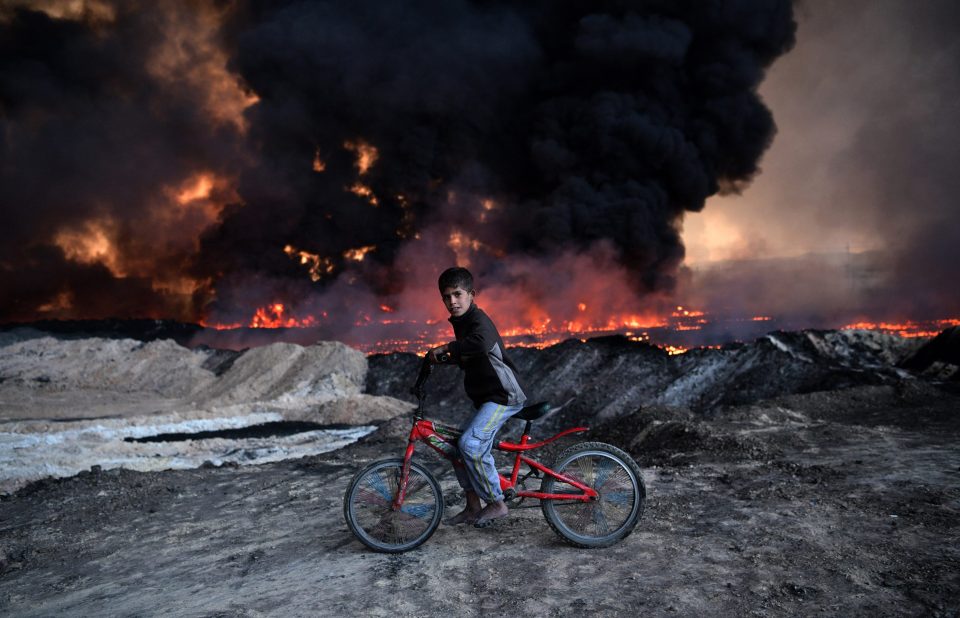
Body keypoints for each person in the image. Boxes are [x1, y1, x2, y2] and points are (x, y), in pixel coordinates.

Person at [429, 266, 527, 528]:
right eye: (446, 297)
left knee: (471, 445)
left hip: (504, 396)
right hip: (488, 398)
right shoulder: (462, 324)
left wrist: (447, 348)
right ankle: (472, 507)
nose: (452, 302)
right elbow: (468, 355)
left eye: (458, 294)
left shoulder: (478, 321)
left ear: (472, 294)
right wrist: (440, 359)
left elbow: (481, 343)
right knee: (457, 448)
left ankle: (496, 502)